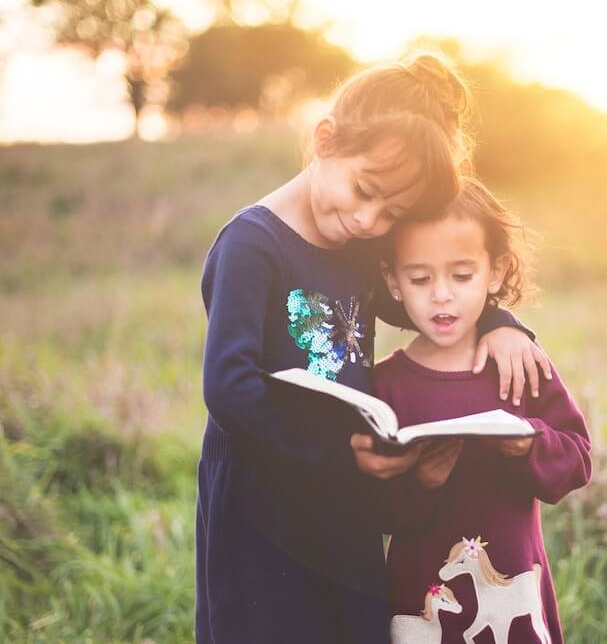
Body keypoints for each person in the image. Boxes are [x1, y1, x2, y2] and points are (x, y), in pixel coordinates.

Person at [196, 53, 550, 643]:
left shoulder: (359, 248)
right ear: (324, 139)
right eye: (365, 191)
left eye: (392, 213)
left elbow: (425, 308)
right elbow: (228, 388)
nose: (367, 219)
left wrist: (500, 322)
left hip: (345, 497)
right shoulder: (251, 245)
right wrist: (341, 450)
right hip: (264, 501)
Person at [377, 177, 592, 644]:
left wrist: (529, 443)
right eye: (419, 278)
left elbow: (578, 459)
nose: (441, 295)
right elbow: (371, 509)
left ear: (495, 273)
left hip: (513, 585)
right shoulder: (384, 385)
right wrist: (422, 483)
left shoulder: (518, 364)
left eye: (461, 275)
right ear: (393, 281)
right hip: (420, 593)